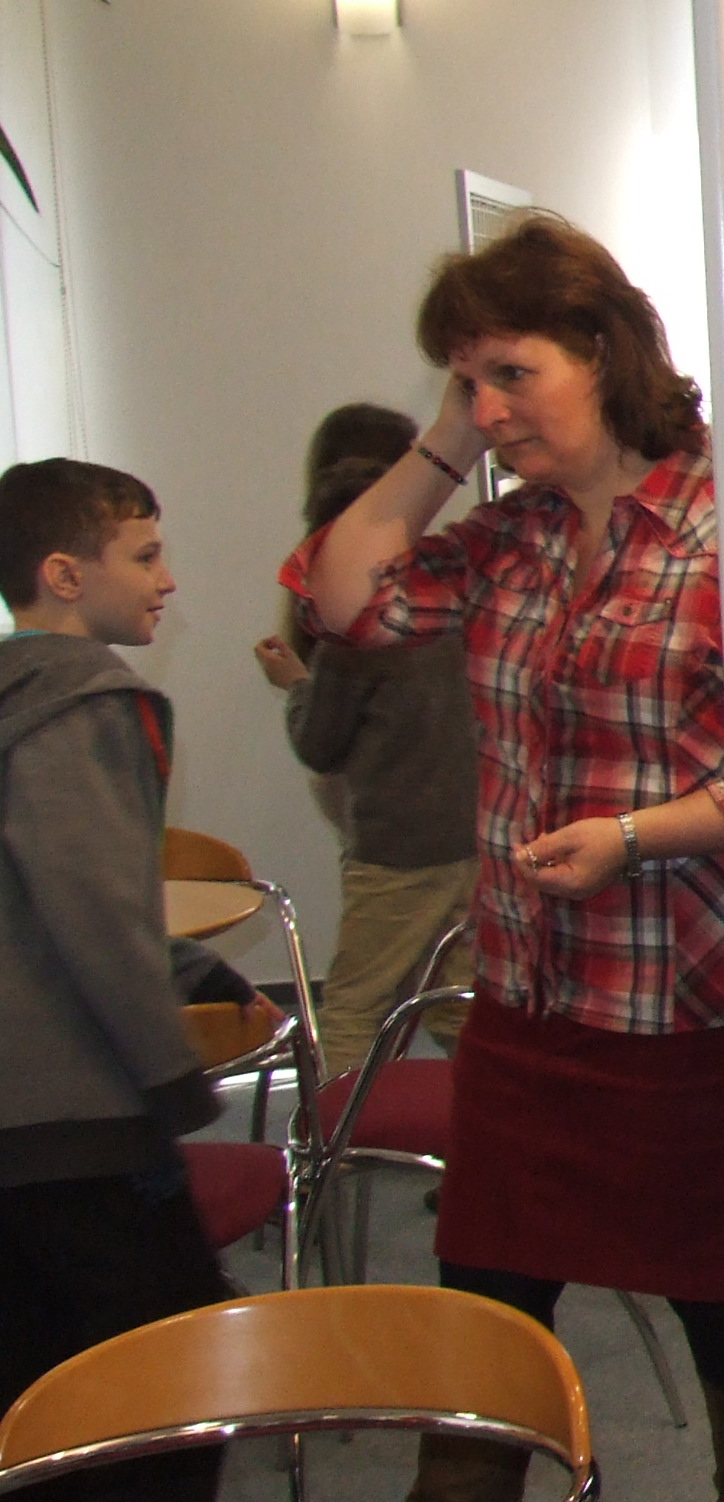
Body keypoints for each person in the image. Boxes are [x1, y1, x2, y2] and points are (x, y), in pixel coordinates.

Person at [249, 217, 724, 1502]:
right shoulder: (507, 536)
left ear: (605, 355)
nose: (488, 407)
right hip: (530, 1007)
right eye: (465, 381)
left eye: (511, 373)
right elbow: (345, 598)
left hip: (687, 1015)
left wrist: (639, 835)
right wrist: (448, 442)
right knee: (485, 1309)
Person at [0, 459, 280, 1502]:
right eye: (146, 556)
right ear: (66, 575)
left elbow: (54, 899)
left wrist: (197, 970)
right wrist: (170, 1080)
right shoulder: (85, 701)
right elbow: (90, 910)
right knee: (177, 1355)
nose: (168, 581)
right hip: (76, 1110)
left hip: (15, 1115)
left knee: (33, 1359)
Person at [252, 405, 478, 1077]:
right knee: (457, 1002)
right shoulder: (448, 605)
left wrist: (297, 685)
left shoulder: (347, 632)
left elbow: (320, 745)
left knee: (355, 1006)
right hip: (469, 837)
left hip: (394, 849)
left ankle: (341, 1139)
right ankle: (478, 1134)